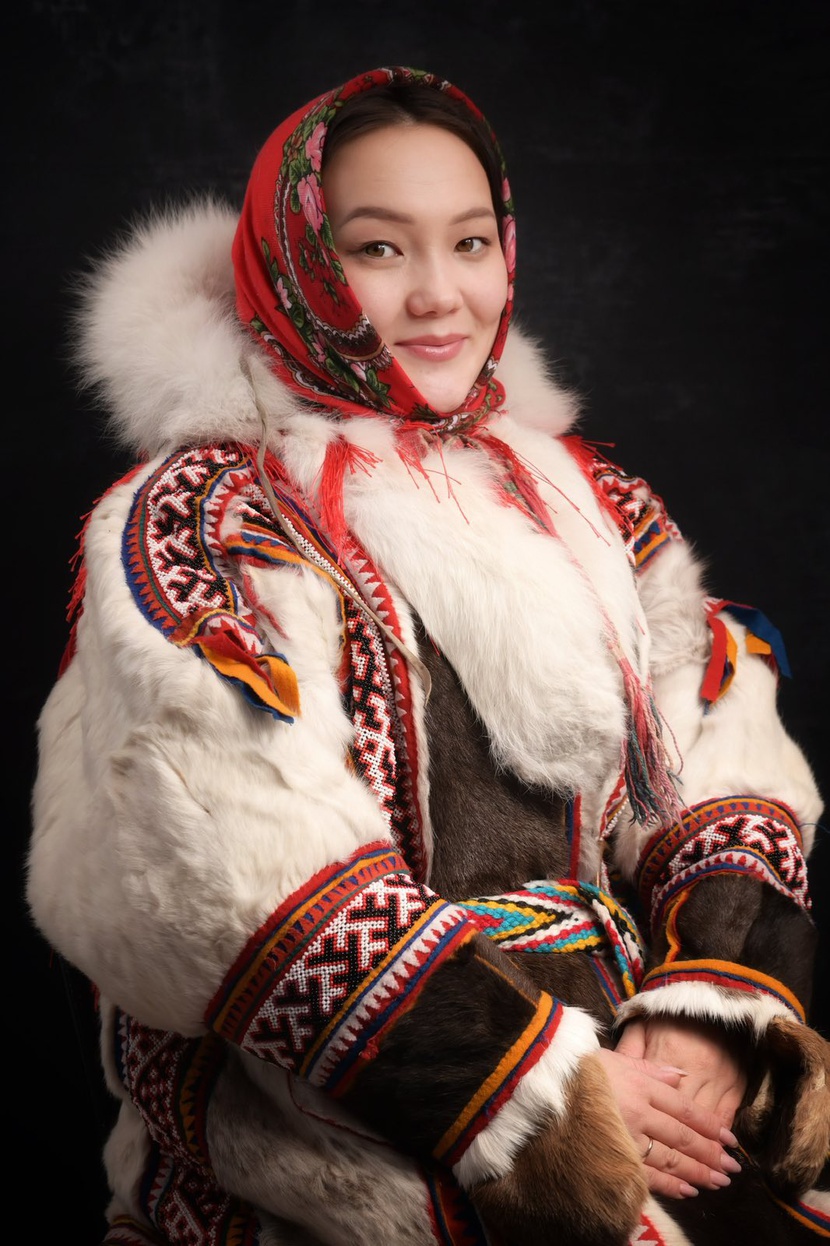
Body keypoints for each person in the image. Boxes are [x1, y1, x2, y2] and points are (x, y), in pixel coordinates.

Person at [27, 64, 830, 1246]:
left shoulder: (586, 499)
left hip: (628, 1049)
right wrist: (533, 1086)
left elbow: (713, 745)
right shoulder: (208, 517)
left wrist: (707, 1006)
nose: (438, 294)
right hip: (347, 1110)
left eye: (468, 242)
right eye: (377, 248)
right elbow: (221, 859)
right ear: (295, 265)